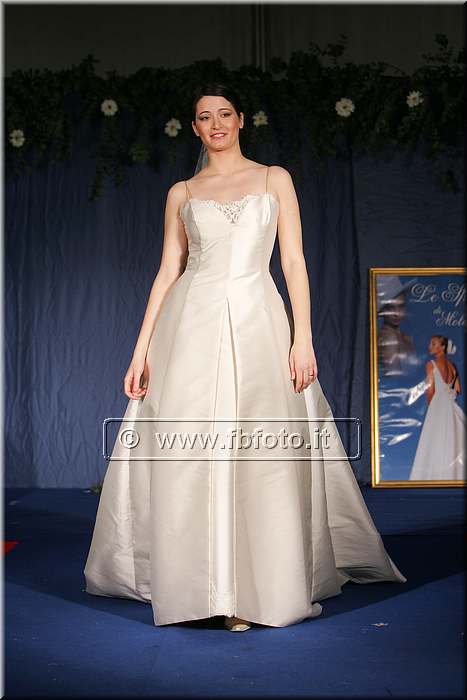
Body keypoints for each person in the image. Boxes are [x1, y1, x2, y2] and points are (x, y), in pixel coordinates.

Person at [84, 83, 407, 632]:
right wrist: (140, 351)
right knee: (194, 451)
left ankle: (255, 590)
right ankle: (201, 588)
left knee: (259, 450)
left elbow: (294, 263)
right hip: (191, 324)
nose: (216, 124)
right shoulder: (182, 192)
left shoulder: (274, 178)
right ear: (194, 128)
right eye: (204, 117)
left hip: (259, 319)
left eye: (224, 114)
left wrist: (303, 338)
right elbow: (167, 271)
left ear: (240, 121)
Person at [409, 335, 465, 481]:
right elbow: (458, 389)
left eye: (434, 344)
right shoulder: (452, 366)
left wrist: (432, 406)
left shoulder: (431, 364)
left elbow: (430, 390)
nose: (430, 346)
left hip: (437, 405)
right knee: (451, 440)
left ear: (442, 347)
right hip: (450, 406)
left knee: (434, 440)